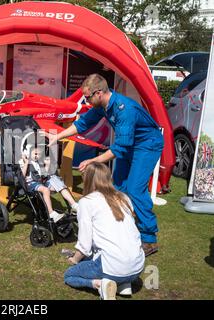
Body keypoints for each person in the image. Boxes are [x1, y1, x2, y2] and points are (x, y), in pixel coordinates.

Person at [49, 74, 163, 256]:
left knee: (134, 189)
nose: (86, 101)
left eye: (87, 97)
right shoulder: (103, 105)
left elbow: (120, 147)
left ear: (99, 93)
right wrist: (58, 136)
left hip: (147, 145)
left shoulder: (124, 109)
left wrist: (92, 161)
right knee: (117, 187)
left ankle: (149, 239)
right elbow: (83, 123)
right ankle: (123, 228)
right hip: (129, 144)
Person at [64, 162, 145, 300]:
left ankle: (100, 284)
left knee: (70, 275)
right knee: (108, 255)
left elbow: (84, 244)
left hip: (113, 266)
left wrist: (74, 259)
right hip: (138, 267)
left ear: (88, 179)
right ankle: (123, 285)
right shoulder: (123, 197)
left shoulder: (87, 202)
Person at [19, 144, 78, 222]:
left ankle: (74, 204)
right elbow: (21, 175)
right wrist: (26, 162)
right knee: (46, 190)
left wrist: (47, 165)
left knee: (59, 184)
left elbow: (44, 175)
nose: (37, 156)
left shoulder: (38, 163)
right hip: (30, 183)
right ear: (28, 153)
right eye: (35, 154)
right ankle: (51, 213)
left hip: (40, 182)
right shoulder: (23, 161)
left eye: (39, 154)